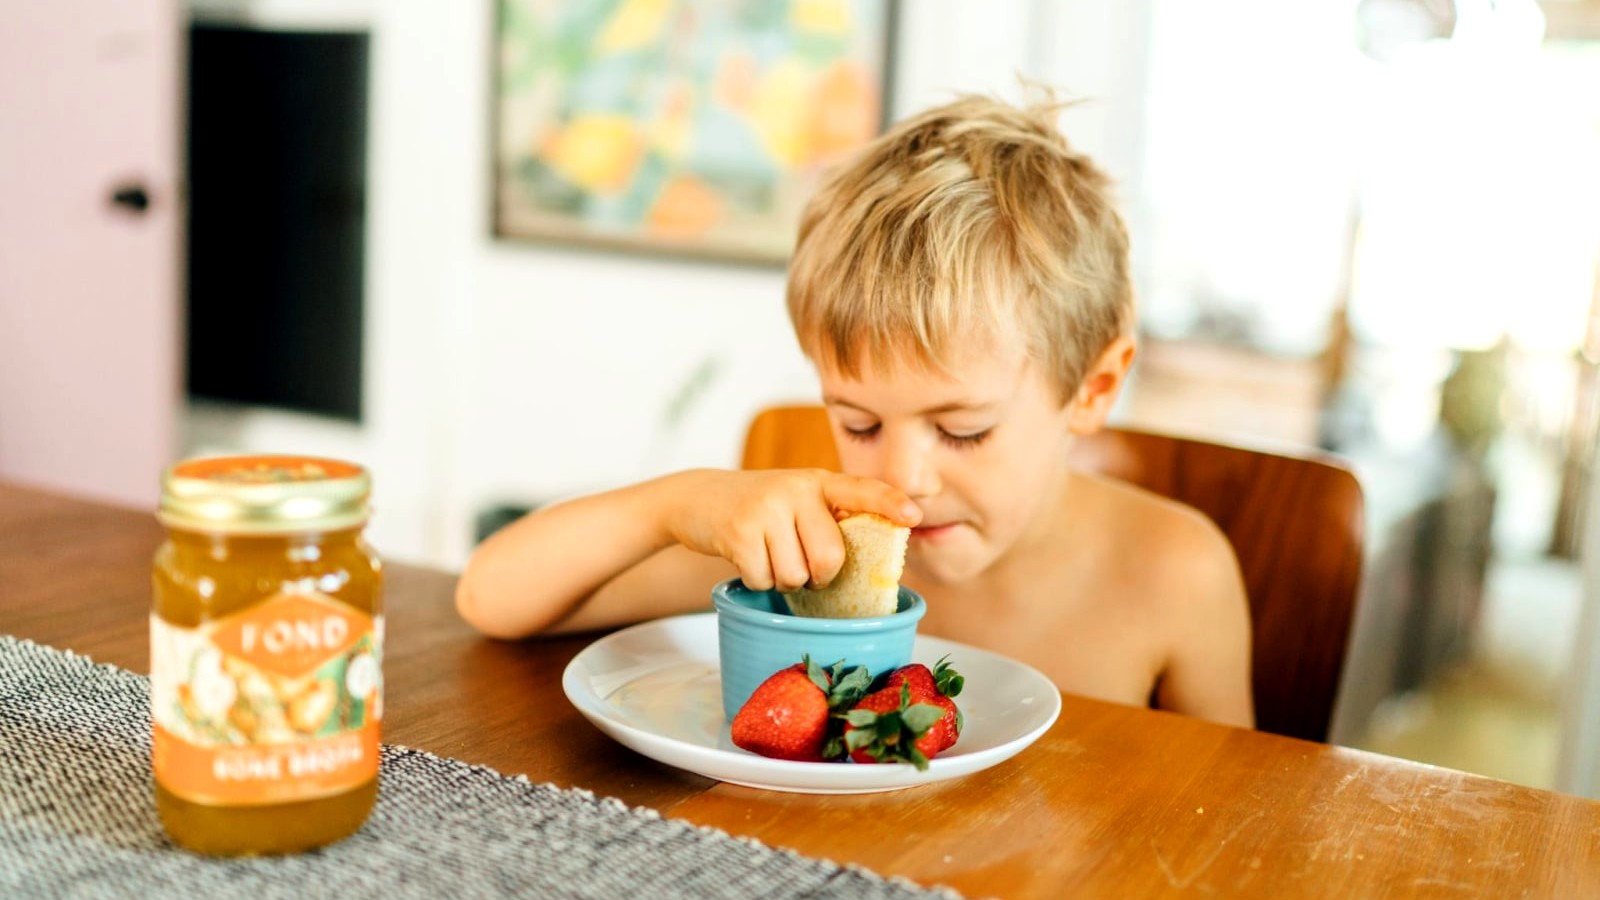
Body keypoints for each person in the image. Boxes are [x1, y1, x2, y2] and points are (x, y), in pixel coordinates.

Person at [457, 92, 1254, 728]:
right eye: (859, 424)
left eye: (963, 430)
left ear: (1095, 387)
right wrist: (678, 503)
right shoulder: (802, 552)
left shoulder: (1173, 576)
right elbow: (490, 598)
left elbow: (1242, 819)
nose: (902, 482)